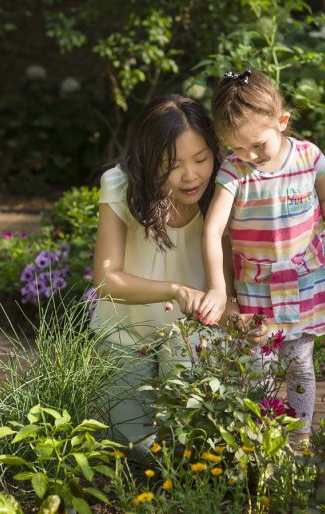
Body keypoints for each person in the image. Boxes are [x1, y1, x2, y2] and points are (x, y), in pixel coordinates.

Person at [199, 69, 325, 441]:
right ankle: (260, 441)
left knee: (300, 365)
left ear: (282, 121)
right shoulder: (235, 172)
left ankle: (300, 438)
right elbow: (213, 230)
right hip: (258, 289)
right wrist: (217, 287)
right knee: (258, 369)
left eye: (257, 145)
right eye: (237, 147)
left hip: (303, 282)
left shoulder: (308, 157)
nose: (250, 155)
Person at [92, 94, 264, 455]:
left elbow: (225, 294)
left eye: (201, 159)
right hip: (127, 340)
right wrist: (174, 290)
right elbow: (106, 280)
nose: (191, 175)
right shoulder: (120, 186)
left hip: (191, 343)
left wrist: (246, 325)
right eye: (173, 165)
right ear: (148, 162)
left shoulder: (224, 191)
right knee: (135, 452)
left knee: (198, 447)